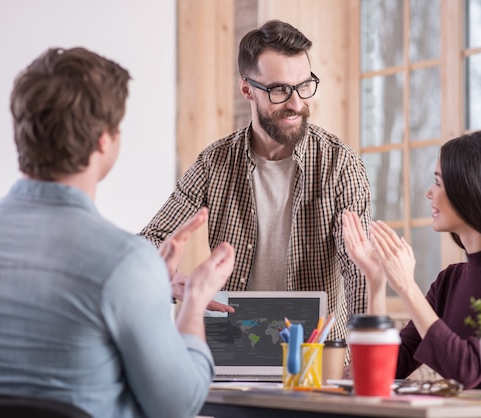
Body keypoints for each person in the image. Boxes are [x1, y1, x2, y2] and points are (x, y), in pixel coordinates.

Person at [0, 47, 235, 418]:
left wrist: (152, 286)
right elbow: (178, 405)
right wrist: (194, 301)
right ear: (103, 139)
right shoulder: (123, 262)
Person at [139, 20, 371, 343]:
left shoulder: (340, 165)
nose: (296, 103)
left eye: (304, 85)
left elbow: (361, 272)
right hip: (237, 355)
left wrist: (361, 357)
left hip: (317, 360)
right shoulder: (214, 163)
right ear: (247, 89)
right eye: (279, 90)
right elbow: (150, 241)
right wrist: (167, 279)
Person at [343, 130, 481, 391]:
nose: (428, 193)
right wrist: (376, 280)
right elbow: (390, 366)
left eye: (438, 182)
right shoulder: (449, 280)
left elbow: (470, 370)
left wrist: (406, 286)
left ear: (472, 190)